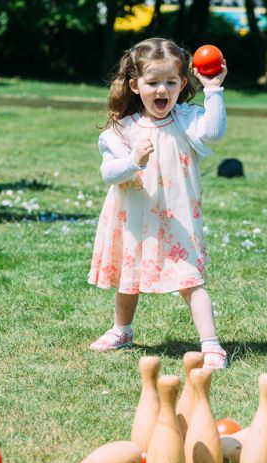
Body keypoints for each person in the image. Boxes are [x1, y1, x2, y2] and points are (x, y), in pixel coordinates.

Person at [88, 38, 229, 369]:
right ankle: (122, 330)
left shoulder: (185, 120)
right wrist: (133, 160)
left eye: (170, 82)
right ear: (136, 85)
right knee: (129, 275)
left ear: (182, 84)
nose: (161, 89)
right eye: (153, 83)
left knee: (191, 279)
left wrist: (213, 89)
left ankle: (211, 345)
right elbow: (109, 173)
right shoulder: (122, 131)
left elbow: (214, 132)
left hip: (176, 218)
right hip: (135, 219)